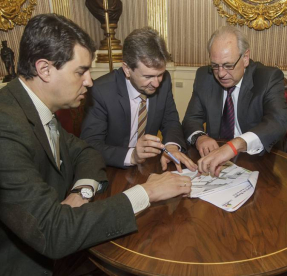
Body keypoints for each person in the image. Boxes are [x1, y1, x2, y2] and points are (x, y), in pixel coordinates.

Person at [0, 13, 191, 276]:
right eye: (81, 71)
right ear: (44, 69)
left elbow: (85, 151)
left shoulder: (33, 109)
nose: (89, 81)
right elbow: (54, 233)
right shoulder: (5, 126)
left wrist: (83, 191)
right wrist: (146, 193)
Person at [81, 27, 197, 172]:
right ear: (127, 69)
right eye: (148, 77)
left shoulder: (164, 80)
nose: (156, 83)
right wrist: (132, 156)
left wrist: (171, 146)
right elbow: (91, 145)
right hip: (113, 169)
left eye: (159, 74)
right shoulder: (101, 91)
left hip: (148, 166)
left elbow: (170, 120)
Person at [182, 26, 287, 176]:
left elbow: (277, 122)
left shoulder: (267, 78)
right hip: (217, 163)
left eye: (228, 65)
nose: (221, 73)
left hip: (262, 162)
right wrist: (200, 137)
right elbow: (191, 119)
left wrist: (235, 145)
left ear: (245, 58)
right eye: (215, 66)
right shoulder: (204, 77)